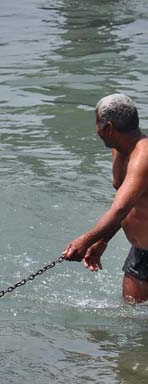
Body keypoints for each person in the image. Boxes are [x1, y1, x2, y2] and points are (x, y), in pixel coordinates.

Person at [63, 93, 148, 304]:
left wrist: (86, 239)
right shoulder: (118, 151)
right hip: (141, 251)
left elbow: (120, 209)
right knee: (130, 315)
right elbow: (125, 203)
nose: (96, 131)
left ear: (108, 127)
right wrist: (103, 239)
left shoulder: (144, 156)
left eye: (97, 125)